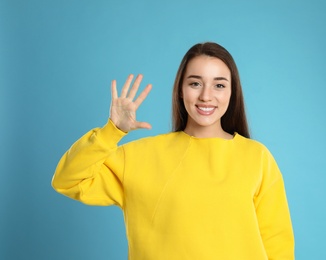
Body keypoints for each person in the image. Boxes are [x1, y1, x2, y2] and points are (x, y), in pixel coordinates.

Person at [52, 42, 294, 259]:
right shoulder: (139, 157)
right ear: (180, 89)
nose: (206, 96)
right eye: (195, 83)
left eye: (219, 85)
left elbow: (277, 245)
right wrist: (112, 131)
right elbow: (68, 180)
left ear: (232, 92)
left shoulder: (257, 158)